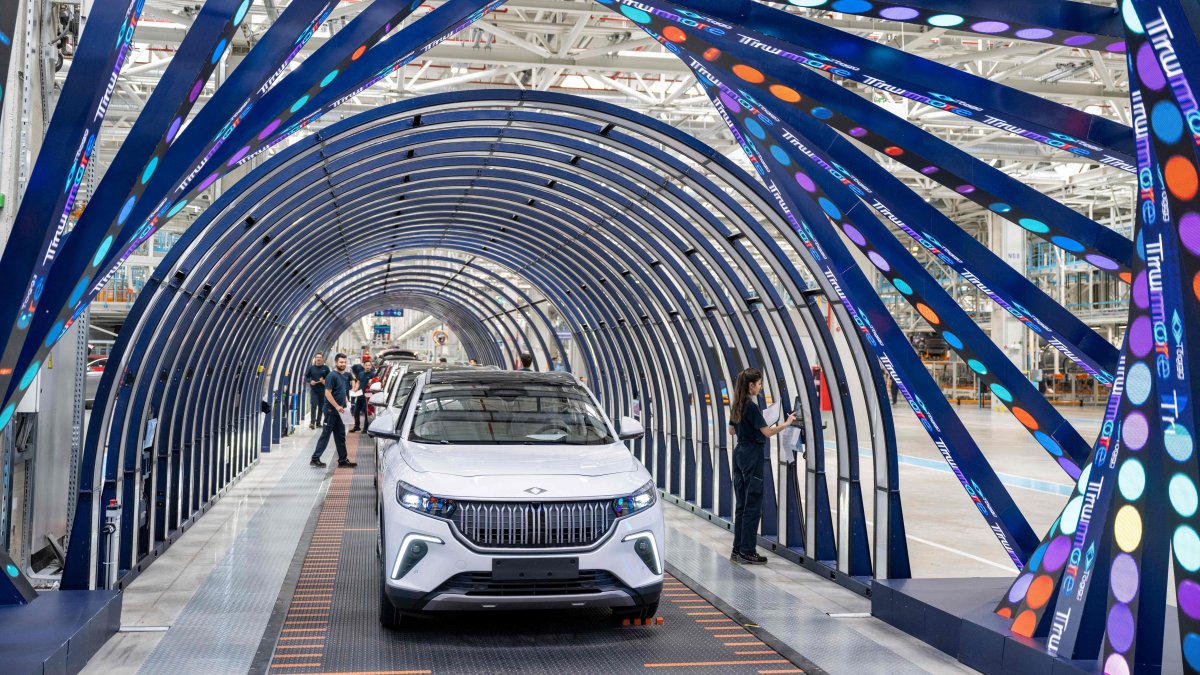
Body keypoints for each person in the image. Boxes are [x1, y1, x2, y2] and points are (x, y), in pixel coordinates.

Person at [727, 368, 793, 565]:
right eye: (759, 384)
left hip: (739, 454)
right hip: (752, 456)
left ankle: (737, 549)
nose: (760, 387)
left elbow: (731, 431)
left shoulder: (737, 404)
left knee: (741, 504)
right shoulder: (753, 407)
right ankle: (748, 551)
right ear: (751, 385)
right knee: (753, 505)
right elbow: (767, 432)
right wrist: (787, 422)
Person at [311, 353, 357, 468]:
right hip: (331, 411)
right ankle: (315, 458)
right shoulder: (332, 376)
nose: (343, 364)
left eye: (345, 362)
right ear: (336, 363)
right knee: (325, 435)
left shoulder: (345, 376)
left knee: (340, 436)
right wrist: (336, 406)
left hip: (340, 412)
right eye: (341, 362)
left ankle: (342, 460)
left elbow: (342, 391)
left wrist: (346, 402)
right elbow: (327, 393)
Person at [304, 353, 330, 429]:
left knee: (321, 407)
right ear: (315, 358)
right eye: (317, 357)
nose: (319, 359)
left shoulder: (326, 368)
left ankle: (318, 423)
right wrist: (310, 381)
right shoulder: (311, 368)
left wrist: (324, 381)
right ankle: (312, 422)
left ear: (322, 359)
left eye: (320, 357)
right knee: (314, 405)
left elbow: (330, 378)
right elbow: (306, 377)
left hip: (323, 390)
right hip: (314, 391)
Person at [350, 360, 374, 432]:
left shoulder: (373, 374)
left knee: (366, 413)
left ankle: (365, 428)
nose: (367, 367)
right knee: (356, 412)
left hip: (367, 397)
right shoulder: (361, 374)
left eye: (369, 365)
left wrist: (371, 381)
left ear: (371, 366)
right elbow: (358, 382)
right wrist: (355, 389)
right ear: (364, 366)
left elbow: (375, 383)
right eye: (366, 365)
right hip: (360, 395)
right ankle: (357, 426)